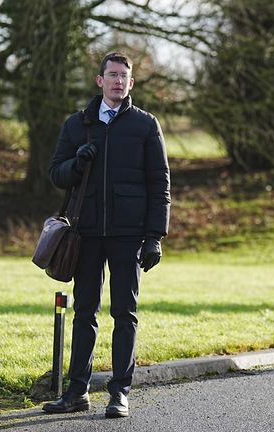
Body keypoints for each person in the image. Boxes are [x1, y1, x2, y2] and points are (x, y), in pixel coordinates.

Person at [43, 52, 170, 417]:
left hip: (128, 235)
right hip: (85, 233)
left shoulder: (146, 125)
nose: (118, 81)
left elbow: (159, 183)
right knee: (84, 312)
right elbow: (55, 174)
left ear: (131, 83)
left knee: (125, 313)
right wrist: (75, 163)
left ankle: (120, 392)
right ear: (99, 81)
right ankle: (76, 393)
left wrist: (154, 236)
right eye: (112, 75)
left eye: (124, 76)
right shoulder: (76, 124)